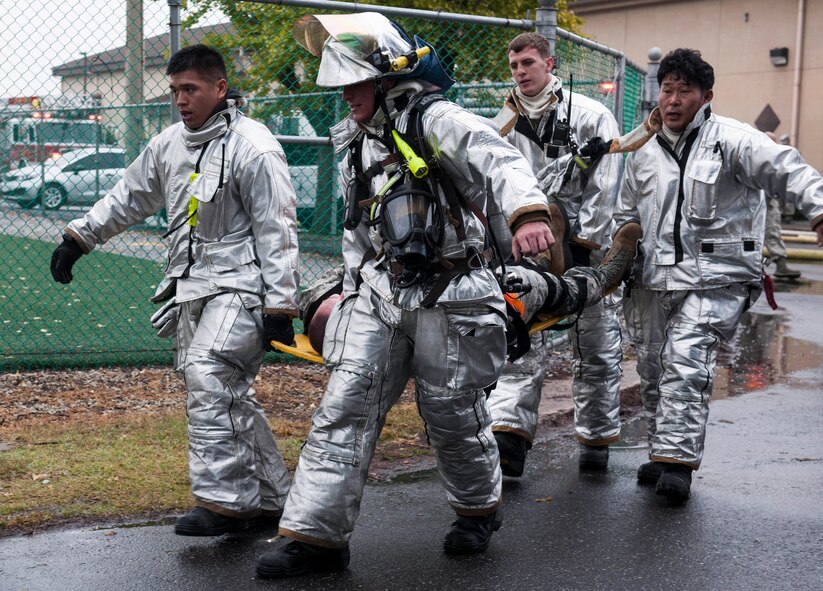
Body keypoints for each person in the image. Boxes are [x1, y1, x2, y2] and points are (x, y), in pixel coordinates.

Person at [255, 12, 558, 578]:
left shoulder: (435, 117)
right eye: (341, 82)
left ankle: (476, 510)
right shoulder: (352, 137)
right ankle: (316, 537)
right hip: (378, 292)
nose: (346, 93)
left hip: (453, 291)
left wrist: (528, 214)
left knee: (451, 414)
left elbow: (501, 159)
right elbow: (355, 226)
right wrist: (347, 292)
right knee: (345, 406)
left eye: (355, 80)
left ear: (385, 75)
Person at [49, 44, 300, 535]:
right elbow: (128, 196)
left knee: (209, 373)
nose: (181, 100)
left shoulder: (255, 146)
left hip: (243, 286)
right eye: (175, 91)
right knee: (229, 394)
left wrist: (280, 305)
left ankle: (227, 503)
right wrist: (79, 238)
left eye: (191, 89)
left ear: (220, 88)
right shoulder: (169, 144)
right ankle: (276, 500)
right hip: (191, 286)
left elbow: (278, 228)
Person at [617, 48, 823, 503]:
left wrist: (821, 208)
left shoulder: (734, 140)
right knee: (654, 367)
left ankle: (676, 464)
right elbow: (625, 213)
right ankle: (663, 448)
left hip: (718, 275)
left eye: (684, 91)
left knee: (686, 361)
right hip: (654, 279)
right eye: (666, 90)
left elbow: (786, 168)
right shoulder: (642, 150)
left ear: (706, 96)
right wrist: (612, 260)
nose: (672, 100)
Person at [488, 32, 624, 474]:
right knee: (520, 336)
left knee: (596, 344)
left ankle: (596, 439)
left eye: (528, 62)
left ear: (550, 64)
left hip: (589, 249)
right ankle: (509, 435)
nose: (520, 72)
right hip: (529, 248)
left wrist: (587, 249)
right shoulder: (501, 123)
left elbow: (607, 187)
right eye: (513, 66)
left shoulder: (591, 116)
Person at [762, 132, 801, 280]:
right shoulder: (758, 156)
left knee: (772, 229)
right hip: (760, 202)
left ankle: (780, 263)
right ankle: (779, 263)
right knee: (770, 230)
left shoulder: (776, 157)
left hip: (770, 200)